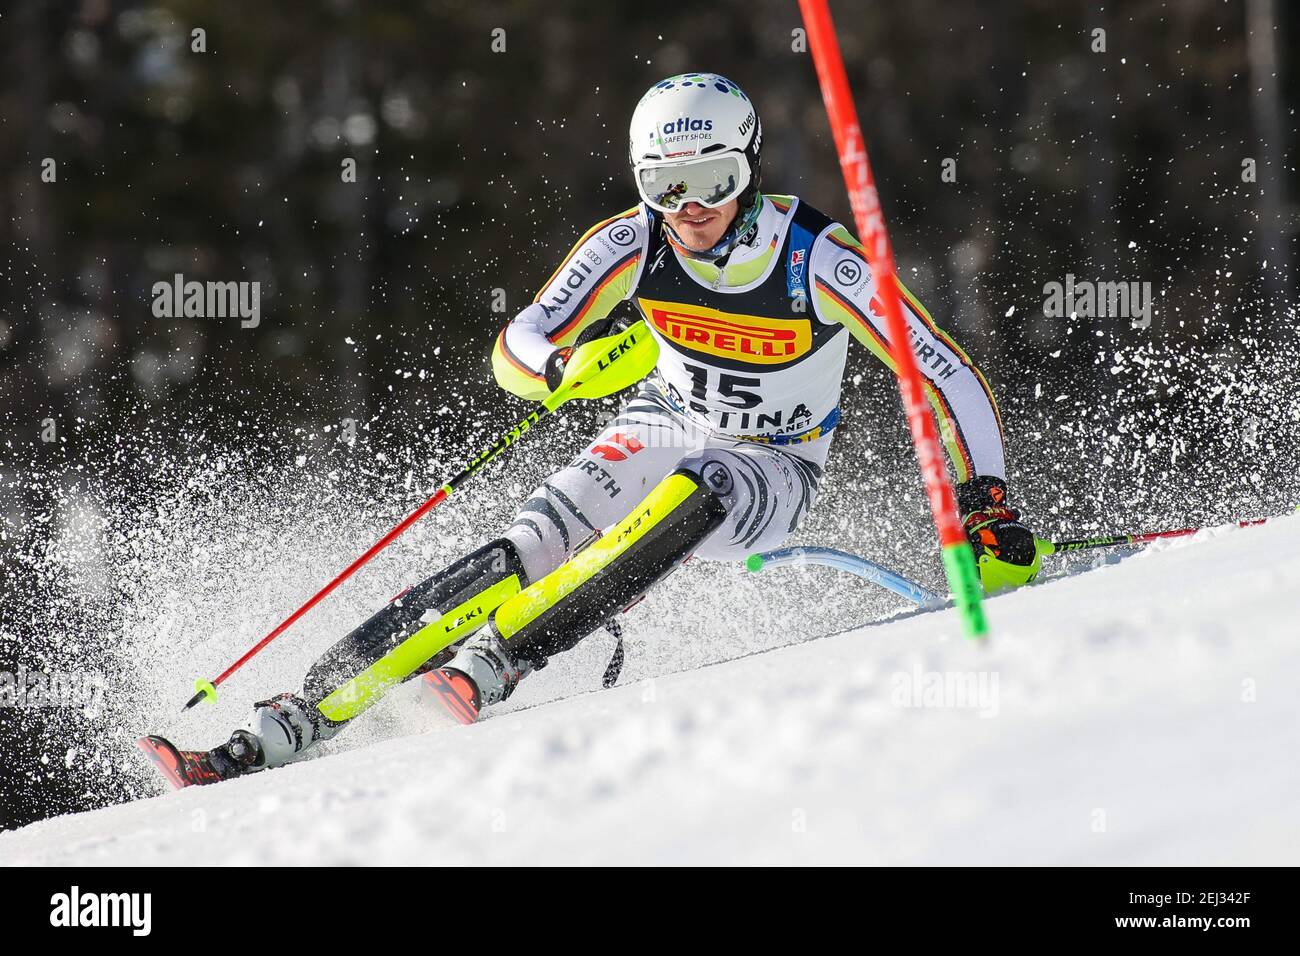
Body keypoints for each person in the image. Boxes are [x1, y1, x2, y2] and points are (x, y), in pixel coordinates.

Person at [168, 72, 1039, 783]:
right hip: (662, 417)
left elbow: (944, 371)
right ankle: (295, 718)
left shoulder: (817, 258)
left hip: (772, 461)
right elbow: (514, 346)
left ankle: (497, 661)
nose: (690, 210)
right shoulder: (630, 243)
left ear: (749, 169)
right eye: (666, 186)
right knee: (521, 550)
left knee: (699, 489)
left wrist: (984, 500)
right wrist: (563, 369)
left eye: (712, 183)